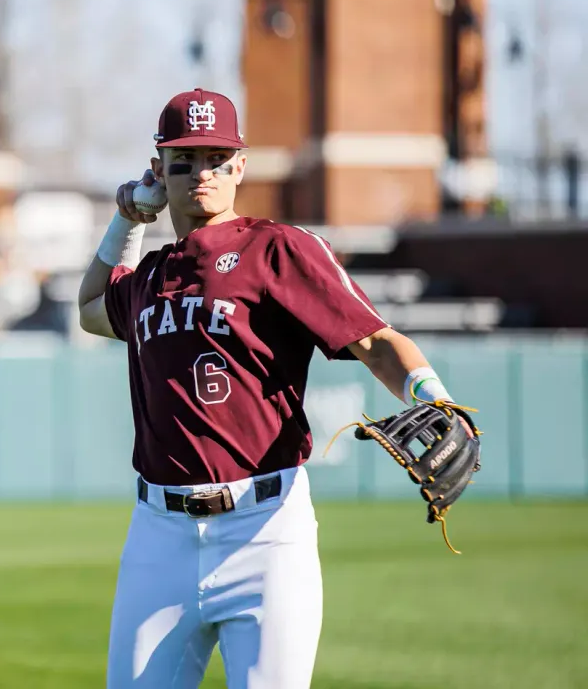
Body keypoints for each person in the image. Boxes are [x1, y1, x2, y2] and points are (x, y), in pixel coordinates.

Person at [77, 88, 465, 688]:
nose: (201, 172)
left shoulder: (278, 249)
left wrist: (430, 395)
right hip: (159, 534)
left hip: (263, 532)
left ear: (240, 166)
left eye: (215, 157)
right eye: (184, 159)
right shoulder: (152, 275)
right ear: (159, 170)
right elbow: (91, 310)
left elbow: (374, 341)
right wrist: (127, 218)